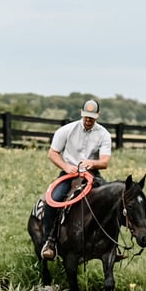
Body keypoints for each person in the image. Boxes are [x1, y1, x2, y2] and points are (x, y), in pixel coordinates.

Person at [40, 99, 112, 260]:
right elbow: (52, 153)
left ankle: (110, 244)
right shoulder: (67, 130)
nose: (88, 120)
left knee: (111, 201)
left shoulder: (104, 134)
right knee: (54, 200)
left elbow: (105, 162)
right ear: (81, 113)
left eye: (92, 117)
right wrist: (66, 167)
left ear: (98, 116)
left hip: (92, 174)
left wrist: (92, 163)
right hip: (69, 174)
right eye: (86, 116)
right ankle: (49, 242)